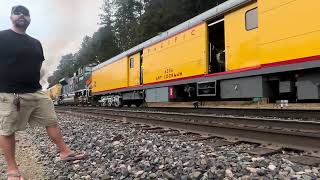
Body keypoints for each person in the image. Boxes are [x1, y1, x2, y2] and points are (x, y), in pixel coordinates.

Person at [0, 5, 85, 180]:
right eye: (17, 13)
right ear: (11, 17)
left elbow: (37, 66)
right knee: (7, 130)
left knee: (51, 121)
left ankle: (64, 152)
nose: (22, 15)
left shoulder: (35, 43)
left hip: (36, 92)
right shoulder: (2, 37)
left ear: (30, 19)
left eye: (25, 13)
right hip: (10, 93)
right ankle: (12, 170)